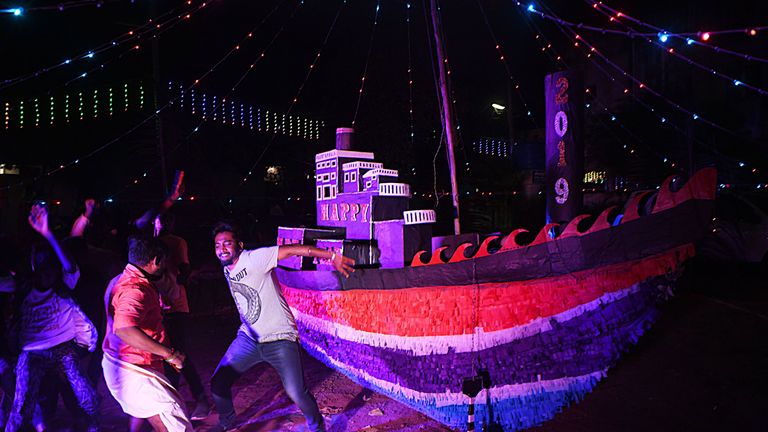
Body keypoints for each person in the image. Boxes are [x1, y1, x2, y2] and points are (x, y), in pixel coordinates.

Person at [209, 222, 355, 432]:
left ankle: (317, 428)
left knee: (297, 392)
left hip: (280, 339)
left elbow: (293, 250)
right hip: (249, 339)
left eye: (227, 243)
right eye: (217, 245)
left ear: (239, 245)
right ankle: (227, 422)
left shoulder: (254, 258)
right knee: (218, 382)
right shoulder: (227, 269)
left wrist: (332, 257)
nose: (222, 249)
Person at [5, 204, 99, 432]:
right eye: (43, 268)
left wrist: (47, 233)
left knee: (84, 395)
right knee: (22, 405)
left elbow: (68, 265)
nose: (48, 273)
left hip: (62, 350)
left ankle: (91, 426)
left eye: (51, 268)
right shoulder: (23, 288)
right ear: (35, 269)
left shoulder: (64, 287)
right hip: (32, 352)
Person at [102, 235, 193, 432]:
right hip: (131, 368)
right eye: (164, 262)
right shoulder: (135, 289)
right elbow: (124, 329)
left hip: (122, 364)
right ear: (156, 261)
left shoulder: (119, 280)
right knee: (174, 420)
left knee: (157, 414)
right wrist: (170, 354)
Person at [153, 212, 211, 420]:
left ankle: (196, 399)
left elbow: (185, 269)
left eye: (168, 220)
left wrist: (172, 289)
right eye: (162, 220)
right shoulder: (151, 244)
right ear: (155, 222)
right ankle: (188, 399)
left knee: (177, 354)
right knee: (166, 354)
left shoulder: (177, 242)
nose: (165, 224)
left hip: (175, 306)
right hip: (155, 307)